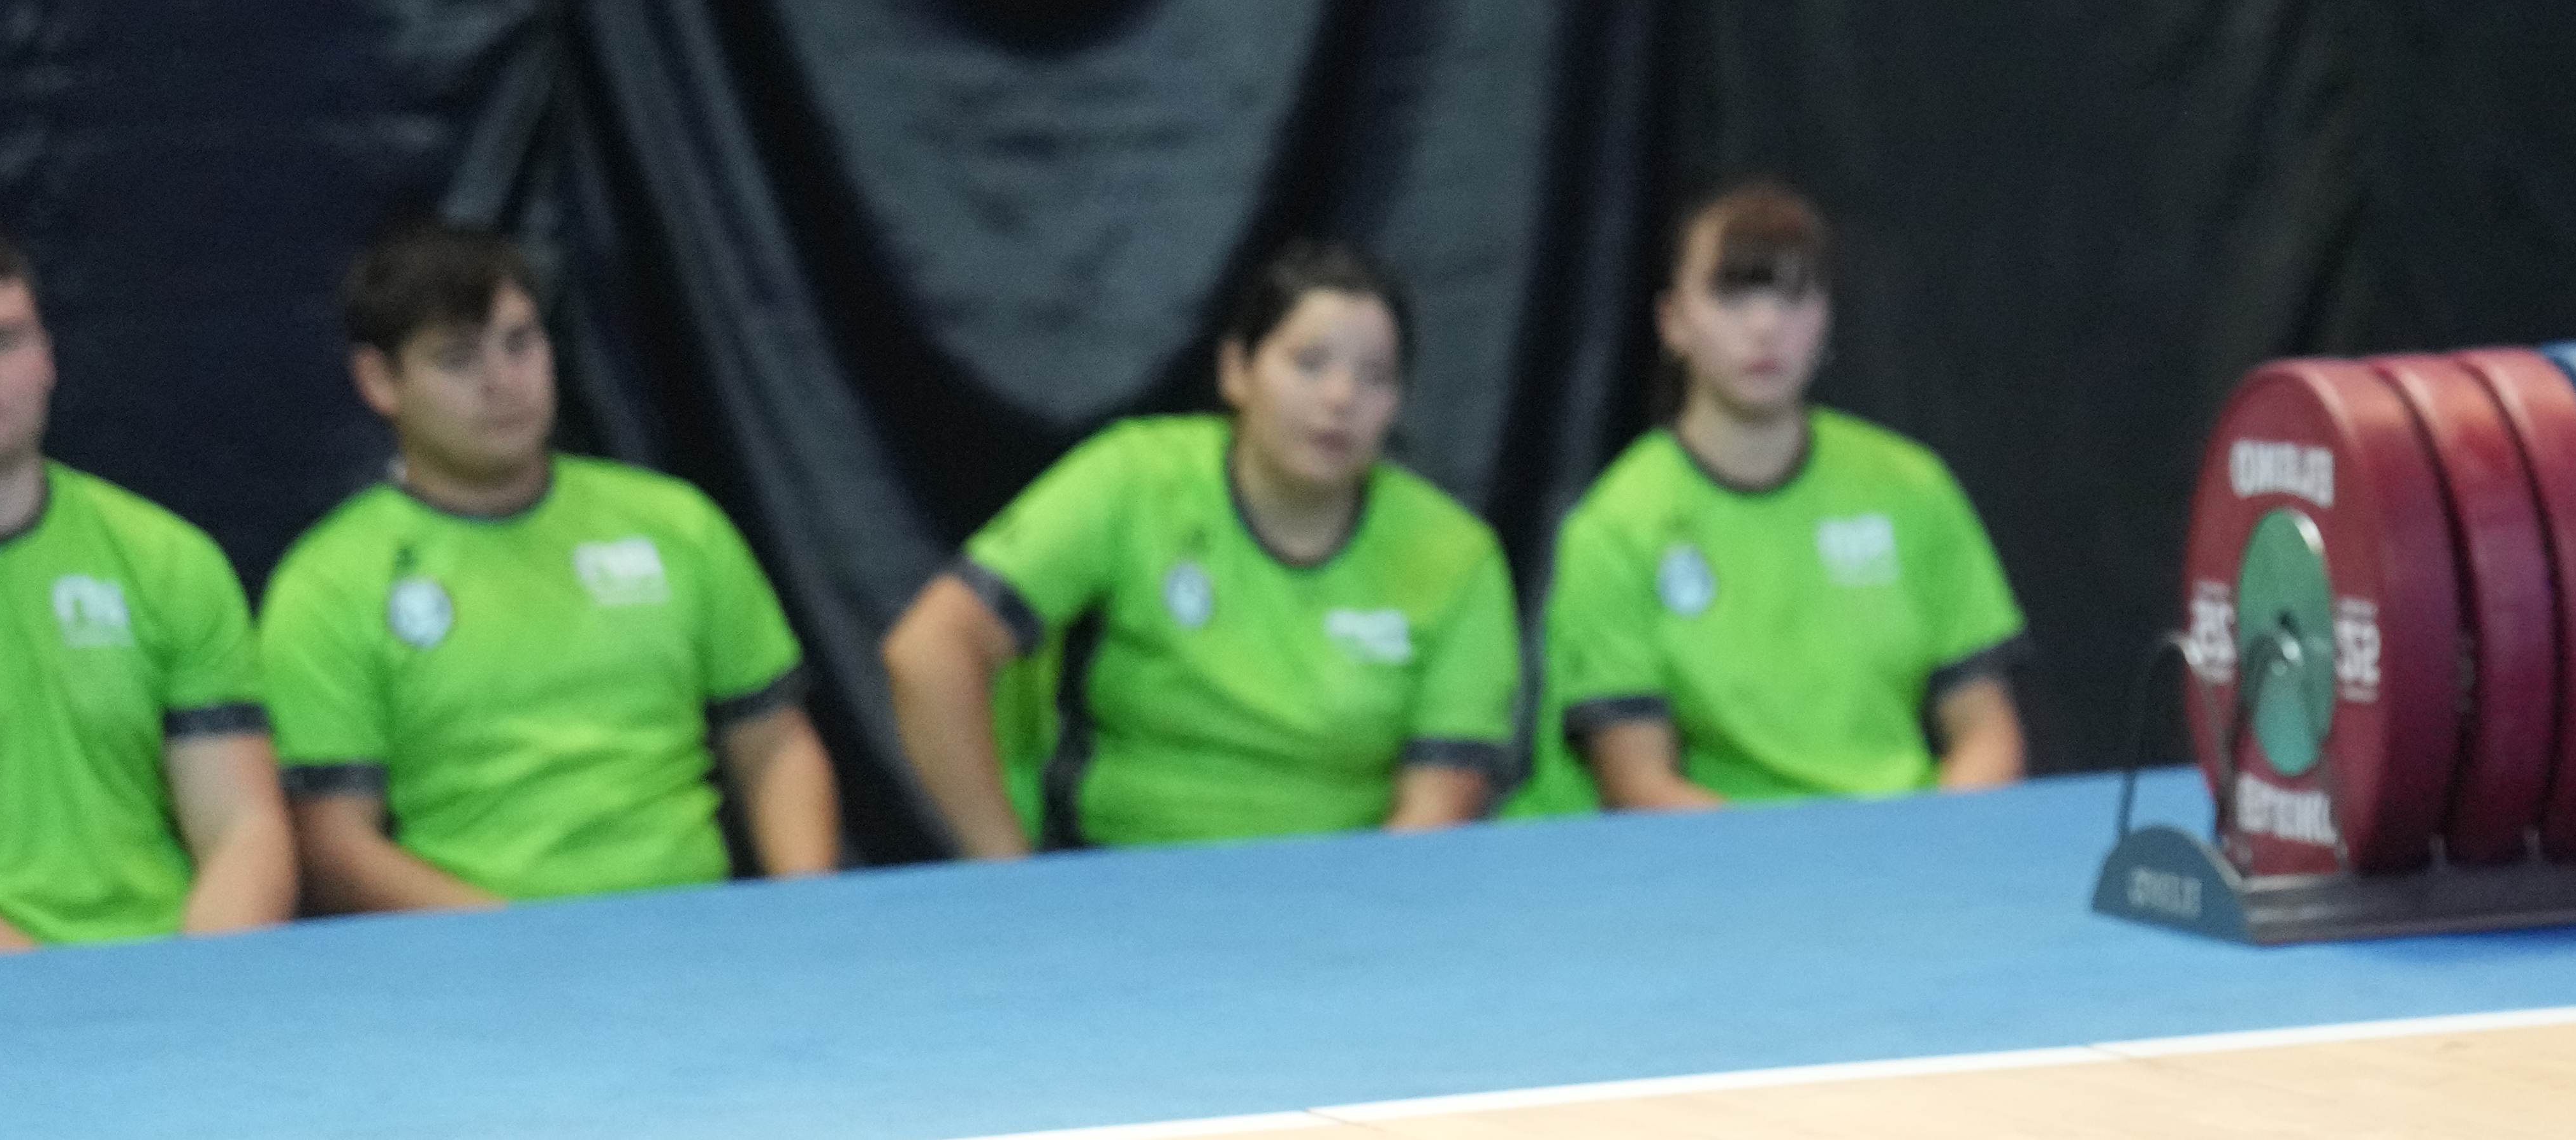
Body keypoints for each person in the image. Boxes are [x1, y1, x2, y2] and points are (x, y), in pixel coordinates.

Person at [259, 221, 834, 907]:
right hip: (473, 966)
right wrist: (521, 945)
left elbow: (773, 743)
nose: (503, 381)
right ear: (380, 379)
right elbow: (333, 843)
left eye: (520, 342)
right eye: (458, 357)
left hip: (693, 942)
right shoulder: (328, 584)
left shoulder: (676, 523)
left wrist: (806, 910)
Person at [880, 243, 1517, 854]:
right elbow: (928, 650)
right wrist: (1008, 878)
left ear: (1396, 403)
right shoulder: (1133, 478)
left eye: (1374, 375)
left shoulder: (1457, 556)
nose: (1340, 398)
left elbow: (1436, 812)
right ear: (1237, 370)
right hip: (1114, 888)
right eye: (1310, 362)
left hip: (1347, 906)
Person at [0, 220, 290, 951]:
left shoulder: (167, 558)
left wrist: (206, 983)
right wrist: (59, 1007)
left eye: (1, 338)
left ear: (46, 359)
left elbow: (244, 824)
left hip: (178, 975)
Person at [1514, 180, 2023, 814]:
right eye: (1732, 293)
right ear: (1673, 322)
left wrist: (1931, 840)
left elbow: (1986, 730)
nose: (1765, 325)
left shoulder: (1912, 485)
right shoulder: (1616, 524)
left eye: (1792, 294)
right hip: (1720, 873)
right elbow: (1637, 781)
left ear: (1825, 317)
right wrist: (1789, 874)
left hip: (1903, 854)